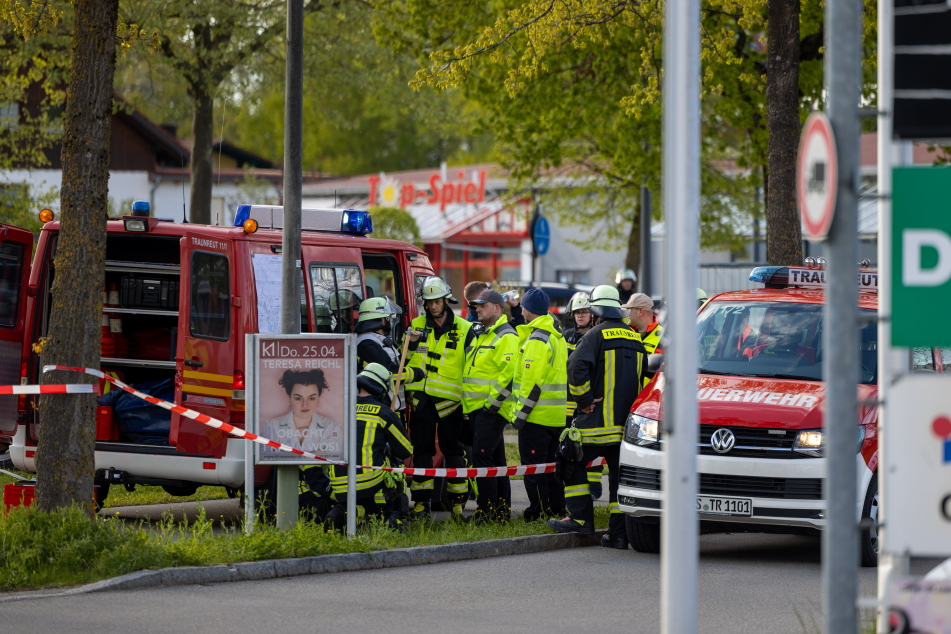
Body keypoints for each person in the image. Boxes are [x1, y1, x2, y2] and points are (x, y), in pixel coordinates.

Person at [549, 285, 648, 549]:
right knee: (618, 479)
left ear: (595, 312)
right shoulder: (636, 338)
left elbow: (575, 366)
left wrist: (584, 400)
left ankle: (580, 519)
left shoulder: (594, 335)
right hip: (626, 428)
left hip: (596, 424)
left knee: (569, 460)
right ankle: (618, 536)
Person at [403, 275, 475, 520]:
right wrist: (410, 346)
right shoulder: (415, 325)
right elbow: (405, 361)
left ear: (446, 300)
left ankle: (457, 505)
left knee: (454, 452)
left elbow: (472, 370)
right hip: (421, 402)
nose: (433, 306)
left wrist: (468, 405)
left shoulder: (465, 329)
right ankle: (421, 504)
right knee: (421, 452)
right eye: (429, 302)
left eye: (437, 301)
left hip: (451, 403)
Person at [324, 364, 414, 532]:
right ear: (381, 389)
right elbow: (406, 450)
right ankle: (392, 517)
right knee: (396, 468)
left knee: (361, 490)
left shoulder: (339, 411)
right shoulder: (384, 413)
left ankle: (342, 513)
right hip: (369, 481)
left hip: (338, 483)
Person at [511, 288, 568, 521]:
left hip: (536, 416)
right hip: (555, 416)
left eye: (522, 306)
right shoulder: (556, 334)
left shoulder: (537, 338)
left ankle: (537, 512)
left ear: (527, 309)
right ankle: (556, 509)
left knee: (533, 469)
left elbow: (532, 383)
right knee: (553, 468)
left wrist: (520, 415)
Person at [462, 289, 519, 523]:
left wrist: (491, 406)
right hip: (478, 409)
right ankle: (501, 510)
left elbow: (509, 376)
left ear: (497, 308)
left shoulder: (507, 336)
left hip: (491, 410)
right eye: (476, 306)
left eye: (482, 306)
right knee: (496, 460)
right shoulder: (483, 334)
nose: (477, 309)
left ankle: (486, 512)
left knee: (482, 457)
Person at [562, 291, 602, 500]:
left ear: (593, 314)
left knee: (590, 445)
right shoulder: (566, 336)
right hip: (567, 404)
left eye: (585, 312)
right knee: (571, 448)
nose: (580, 316)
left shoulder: (596, 335)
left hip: (588, 401)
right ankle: (573, 490)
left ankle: (594, 487)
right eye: (577, 312)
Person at [261, 369, 343, 455]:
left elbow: (334, 455)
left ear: (318, 399)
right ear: (290, 398)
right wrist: (318, 452)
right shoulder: (272, 426)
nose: (305, 405)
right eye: (298, 398)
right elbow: (266, 456)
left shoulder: (332, 426)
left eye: (311, 398)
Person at [355, 297, 407, 408]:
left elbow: (397, 359)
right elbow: (390, 372)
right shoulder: (368, 344)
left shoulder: (374, 340)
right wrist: (417, 373)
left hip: (384, 400)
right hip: (380, 403)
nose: (391, 320)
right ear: (382, 320)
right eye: (389, 317)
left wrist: (411, 343)